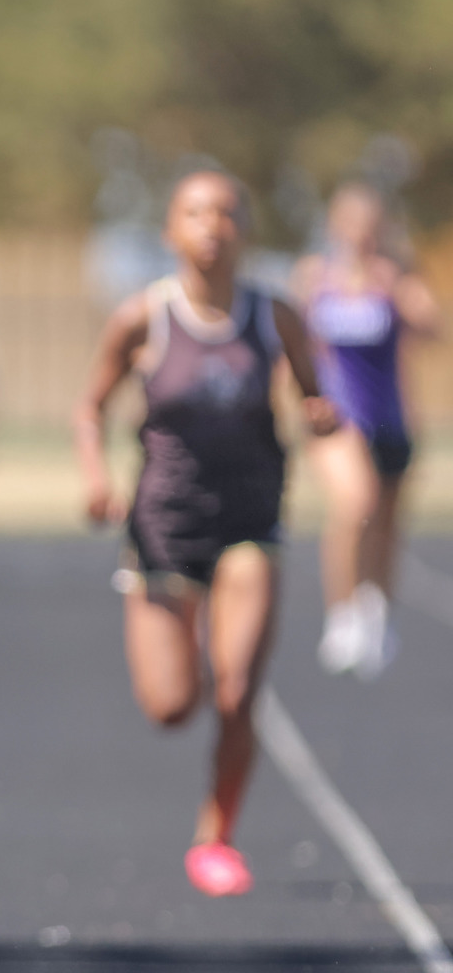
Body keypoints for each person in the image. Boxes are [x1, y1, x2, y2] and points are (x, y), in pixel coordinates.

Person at [75, 169, 336, 898]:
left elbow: (316, 396)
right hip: (165, 527)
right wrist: (96, 477)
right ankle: (177, 639)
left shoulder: (273, 316)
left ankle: (216, 836)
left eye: (226, 212)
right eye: (195, 213)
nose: (212, 226)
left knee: (239, 688)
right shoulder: (142, 319)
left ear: (245, 230)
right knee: (170, 706)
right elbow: (88, 407)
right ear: (171, 231)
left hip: (251, 521)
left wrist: (321, 416)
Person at [292, 181, 439, 679]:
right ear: (336, 227)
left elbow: (433, 328)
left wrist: (400, 288)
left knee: (386, 523)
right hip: (338, 419)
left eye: (370, 226)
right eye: (351, 224)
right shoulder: (316, 277)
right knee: (356, 503)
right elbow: (292, 343)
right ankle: (343, 612)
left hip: (391, 418)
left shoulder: (394, 278)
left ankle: (376, 610)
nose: (360, 235)